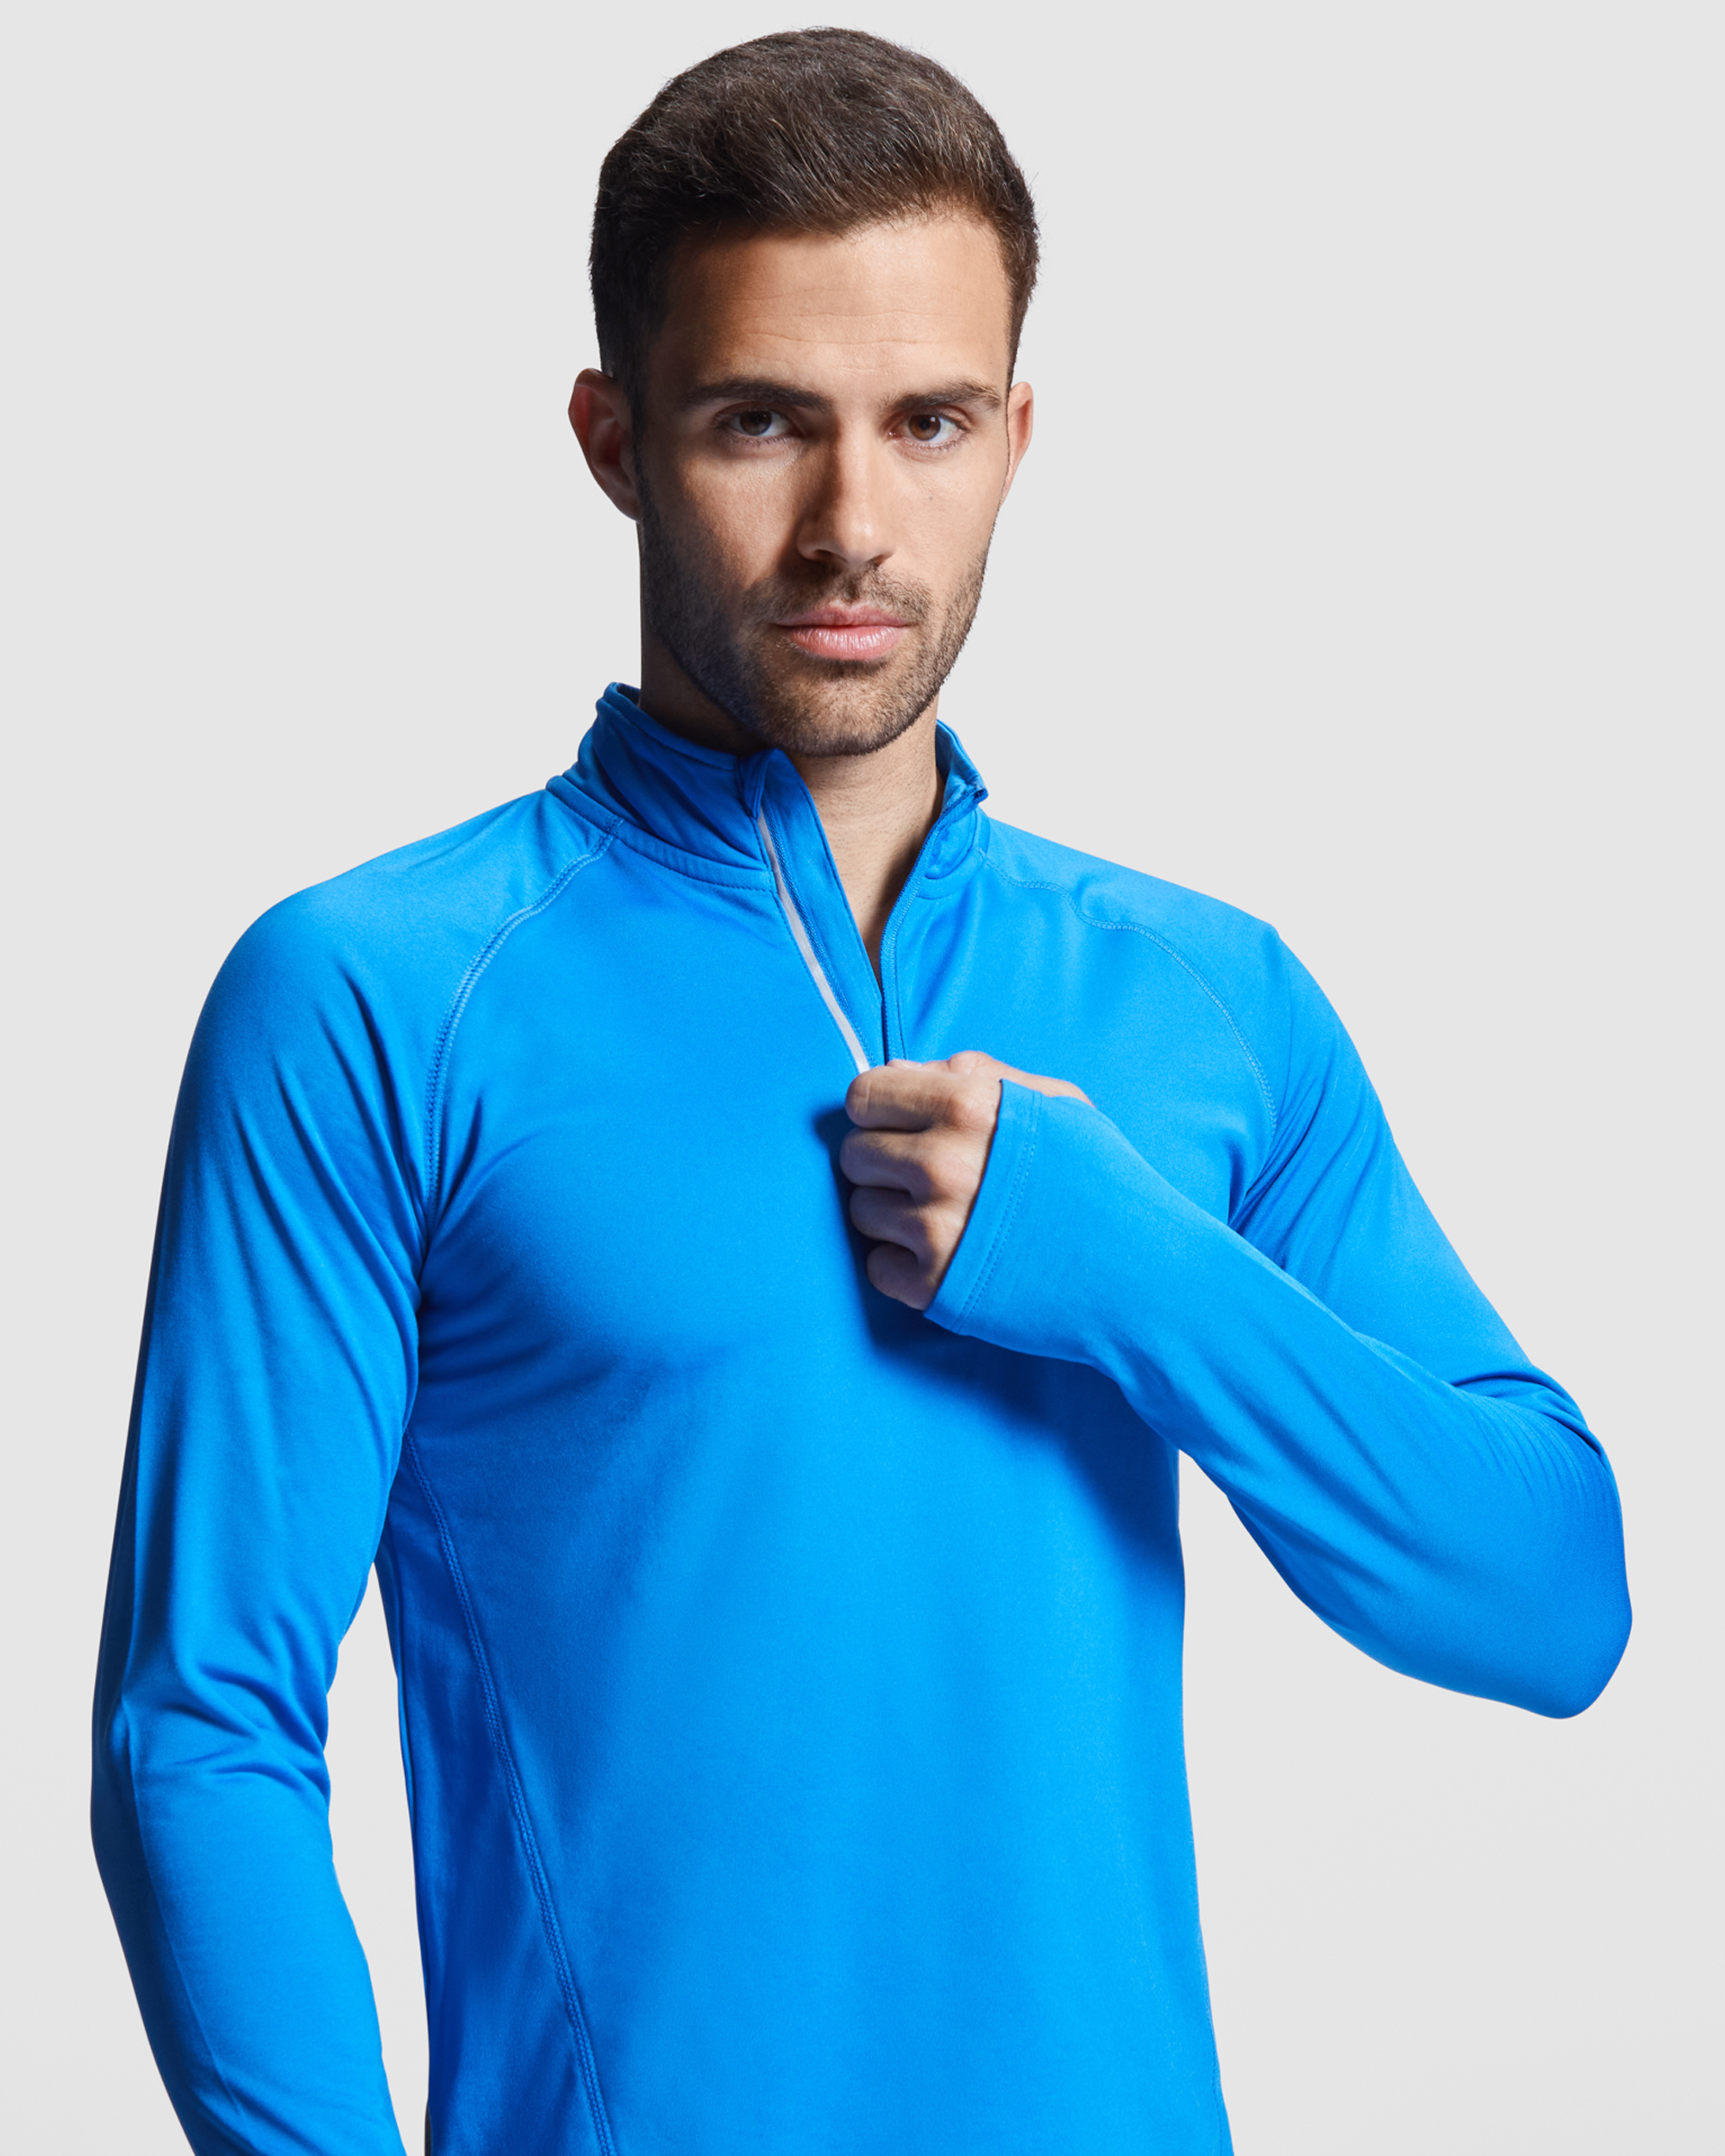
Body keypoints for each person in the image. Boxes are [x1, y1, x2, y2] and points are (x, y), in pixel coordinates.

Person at [92, 28, 1631, 2156]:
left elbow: (1549, 1598)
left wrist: (1135, 1274)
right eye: (761, 421)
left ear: (1016, 434)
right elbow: (203, 1727)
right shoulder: (374, 997)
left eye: (928, 422)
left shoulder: (1206, 997)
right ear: (614, 440)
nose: (852, 525)